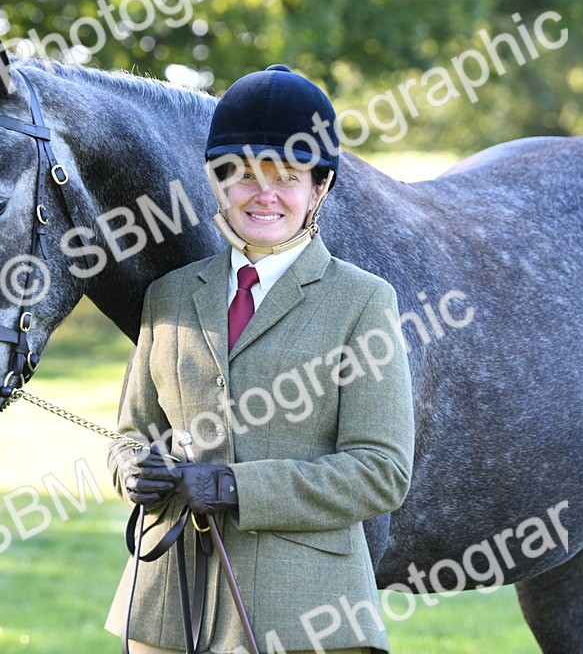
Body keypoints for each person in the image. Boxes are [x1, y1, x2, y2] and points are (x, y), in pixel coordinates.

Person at [106, 64, 415, 654]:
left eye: (287, 177)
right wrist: (133, 469)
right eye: (245, 175)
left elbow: (381, 472)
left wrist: (235, 487)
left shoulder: (363, 301)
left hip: (305, 614)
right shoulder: (168, 296)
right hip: (167, 608)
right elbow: (131, 434)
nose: (264, 194)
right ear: (217, 183)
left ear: (318, 188)